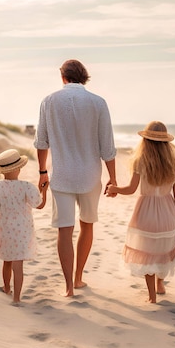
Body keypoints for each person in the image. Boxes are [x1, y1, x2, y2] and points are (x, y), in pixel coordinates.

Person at [34, 59, 117, 297]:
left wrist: (42, 171)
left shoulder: (49, 101)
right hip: (90, 175)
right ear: (85, 77)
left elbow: (41, 141)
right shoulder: (98, 103)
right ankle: (79, 277)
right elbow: (107, 147)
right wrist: (113, 179)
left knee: (64, 230)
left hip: (61, 176)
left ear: (63, 77)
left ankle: (68, 286)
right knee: (87, 225)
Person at [106, 121, 175, 303]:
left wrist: (114, 189)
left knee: (148, 254)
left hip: (145, 213)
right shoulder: (174, 164)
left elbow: (131, 189)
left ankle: (151, 297)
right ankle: (160, 284)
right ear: (166, 143)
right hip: (168, 213)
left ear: (145, 141)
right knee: (163, 251)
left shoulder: (140, 162)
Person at [0, 149, 47, 305]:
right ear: (18, 168)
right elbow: (39, 205)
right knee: (17, 265)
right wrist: (44, 191)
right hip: (22, 232)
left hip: (3, 229)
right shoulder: (26, 186)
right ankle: (16, 298)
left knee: (7, 261)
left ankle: (7, 288)